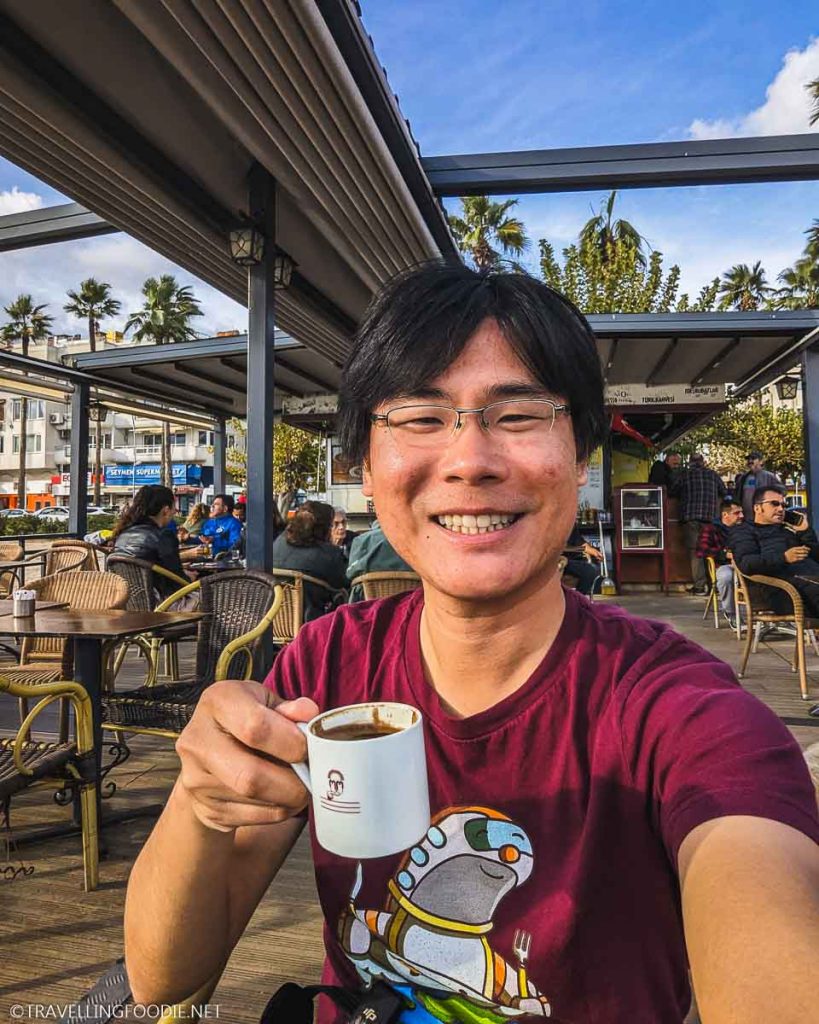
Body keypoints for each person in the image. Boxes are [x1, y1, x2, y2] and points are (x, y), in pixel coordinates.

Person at [125, 265, 818, 1024]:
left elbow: (762, 897)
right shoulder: (325, 667)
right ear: (366, 462)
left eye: (517, 415)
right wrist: (197, 802)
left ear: (580, 453)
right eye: (420, 416)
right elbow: (165, 979)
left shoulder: (676, 710)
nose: (468, 459)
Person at [730, 483, 819, 616]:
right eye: (774, 504)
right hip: (784, 590)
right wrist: (784, 558)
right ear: (757, 508)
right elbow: (746, 563)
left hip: (810, 580)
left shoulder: (788, 530)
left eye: (783, 505)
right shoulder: (744, 531)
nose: (781, 509)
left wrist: (805, 532)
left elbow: (815, 557)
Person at [270, 500, 348, 620]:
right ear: (325, 528)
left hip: (273, 618)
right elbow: (341, 584)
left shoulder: (278, 543)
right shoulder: (328, 553)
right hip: (311, 621)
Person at [111, 485, 189, 597]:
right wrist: (189, 578)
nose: (174, 512)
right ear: (166, 510)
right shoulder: (163, 536)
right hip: (164, 604)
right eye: (174, 508)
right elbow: (178, 583)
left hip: (128, 601)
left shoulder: (122, 535)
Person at [677, 453, 727, 595]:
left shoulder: (685, 475)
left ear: (690, 462)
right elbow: (723, 491)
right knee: (711, 551)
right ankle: (714, 585)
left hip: (691, 517)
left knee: (695, 552)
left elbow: (673, 491)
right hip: (711, 518)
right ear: (703, 462)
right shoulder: (713, 475)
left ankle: (699, 587)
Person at [695, 498, 744, 627]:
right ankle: (731, 613)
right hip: (723, 566)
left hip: (746, 564)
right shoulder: (711, 529)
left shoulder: (745, 528)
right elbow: (701, 550)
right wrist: (724, 554)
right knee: (726, 577)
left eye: (741, 512)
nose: (741, 516)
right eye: (737, 513)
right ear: (725, 515)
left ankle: (764, 614)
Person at [345, 518, 414, 599]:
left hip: (369, 599)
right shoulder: (415, 539)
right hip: (413, 598)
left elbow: (350, 574)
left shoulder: (362, 540)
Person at [733, 451, 782, 521]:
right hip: (746, 520)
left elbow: (782, 491)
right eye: (748, 459)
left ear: (761, 462)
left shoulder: (769, 476)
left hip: (763, 519)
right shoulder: (743, 478)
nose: (750, 461)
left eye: (753, 458)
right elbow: (736, 496)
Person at [562, 524, 603, 595]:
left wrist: (593, 551)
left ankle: (577, 599)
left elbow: (580, 542)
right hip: (552, 561)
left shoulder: (569, 523)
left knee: (590, 570)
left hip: (569, 562)